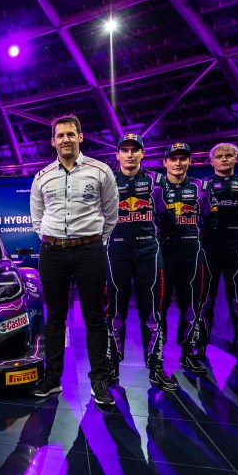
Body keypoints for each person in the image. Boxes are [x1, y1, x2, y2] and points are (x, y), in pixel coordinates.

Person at [29, 114, 118, 407]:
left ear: (80, 137)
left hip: (89, 251)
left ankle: (99, 380)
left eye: (70, 134)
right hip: (52, 252)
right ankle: (52, 379)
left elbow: (110, 215)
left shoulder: (101, 171)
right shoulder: (42, 177)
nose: (65, 139)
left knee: (95, 318)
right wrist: (53, 239)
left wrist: (93, 241)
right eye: (60, 135)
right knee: (55, 318)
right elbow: (37, 218)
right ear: (53, 141)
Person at [105, 133, 178, 392]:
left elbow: (168, 219)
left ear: (142, 154)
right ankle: (112, 364)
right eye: (125, 150)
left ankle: (156, 365)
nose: (130, 154)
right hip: (117, 252)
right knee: (114, 311)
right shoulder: (108, 180)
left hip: (149, 252)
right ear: (117, 155)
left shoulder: (157, 181)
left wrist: (153, 239)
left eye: (134, 150)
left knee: (154, 311)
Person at [189, 142, 238, 364]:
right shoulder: (201, 185)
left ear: (236, 158)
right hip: (208, 246)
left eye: (229, 155)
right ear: (211, 161)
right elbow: (193, 217)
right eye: (220, 156)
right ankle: (199, 345)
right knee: (204, 299)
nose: (224, 159)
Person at [158, 143, 210, 374]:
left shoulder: (202, 187)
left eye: (182, 158)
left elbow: (209, 221)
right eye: (173, 158)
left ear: (190, 161)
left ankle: (187, 352)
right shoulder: (155, 186)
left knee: (191, 305)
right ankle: (157, 354)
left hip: (191, 254)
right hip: (162, 255)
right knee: (158, 306)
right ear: (165, 162)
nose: (178, 163)